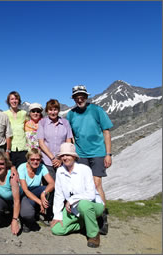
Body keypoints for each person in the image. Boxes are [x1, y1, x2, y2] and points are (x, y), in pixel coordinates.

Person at [66, 85, 113, 235]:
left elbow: (106, 132)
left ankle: (102, 217)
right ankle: (86, 215)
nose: (80, 98)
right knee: (83, 186)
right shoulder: (71, 114)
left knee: (96, 184)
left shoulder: (97, 110)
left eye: (82, 96)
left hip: (98, 153)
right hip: (81, 155)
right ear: (73, 98)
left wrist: (108, 154)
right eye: (77, 96)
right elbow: (69, 135)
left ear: (86, 97)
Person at [50, 143, 105, 248]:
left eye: (68, 155)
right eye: (63, 156)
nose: (65, 158)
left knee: (84, 205)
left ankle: (93, 235)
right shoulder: (60, 171)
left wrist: (71, 200)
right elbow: (58, 194)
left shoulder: (85, 169)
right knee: (56, 229)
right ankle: (85, 224)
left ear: (74, 156)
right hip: (73, 209)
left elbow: (90, 194)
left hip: (93, 205)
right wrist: (57, 215)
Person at [37, 99, 74, 223]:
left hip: (63, 160)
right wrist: (53, 158)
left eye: (55, 109)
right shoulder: (42, 123)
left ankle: (60, 212)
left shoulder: (65, 123)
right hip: (47, 161)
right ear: (47, 111)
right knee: (49, 187)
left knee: (62, 187)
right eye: (51, 109)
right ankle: (47, 214)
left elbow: (68, 140)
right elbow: (41, 143)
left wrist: (60, 157)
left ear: (58, 110)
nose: (53, 112)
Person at [18, 148, 55, 232]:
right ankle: (25, 219)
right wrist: (39, 201)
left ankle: (46, 214)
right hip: (24, 193)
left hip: (36, 190)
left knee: (50, 189)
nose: (35, 162)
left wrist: (44, 193)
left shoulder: (42, 167)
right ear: (28, 159)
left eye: (38, 159)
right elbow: (25, 190)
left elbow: (52, 183)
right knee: (27, 214)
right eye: (32, 159)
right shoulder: (22, 168)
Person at [0, 150, 21, 235]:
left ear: (6, 164)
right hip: (2, 200)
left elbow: (17, 200)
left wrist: (14, 221)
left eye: (1, 164)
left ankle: (19, 218)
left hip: (16, 200)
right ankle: (0, 219)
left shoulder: (12, 177)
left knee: (27, 213)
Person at [4, 91, 28, 168]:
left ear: (19, 101)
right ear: (8, 101)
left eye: (16, 99)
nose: (14, 101)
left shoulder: (24, 113)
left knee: (22, 173)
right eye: (12, 99)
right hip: (10, 149)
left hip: (23, 149)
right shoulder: (4, 114)